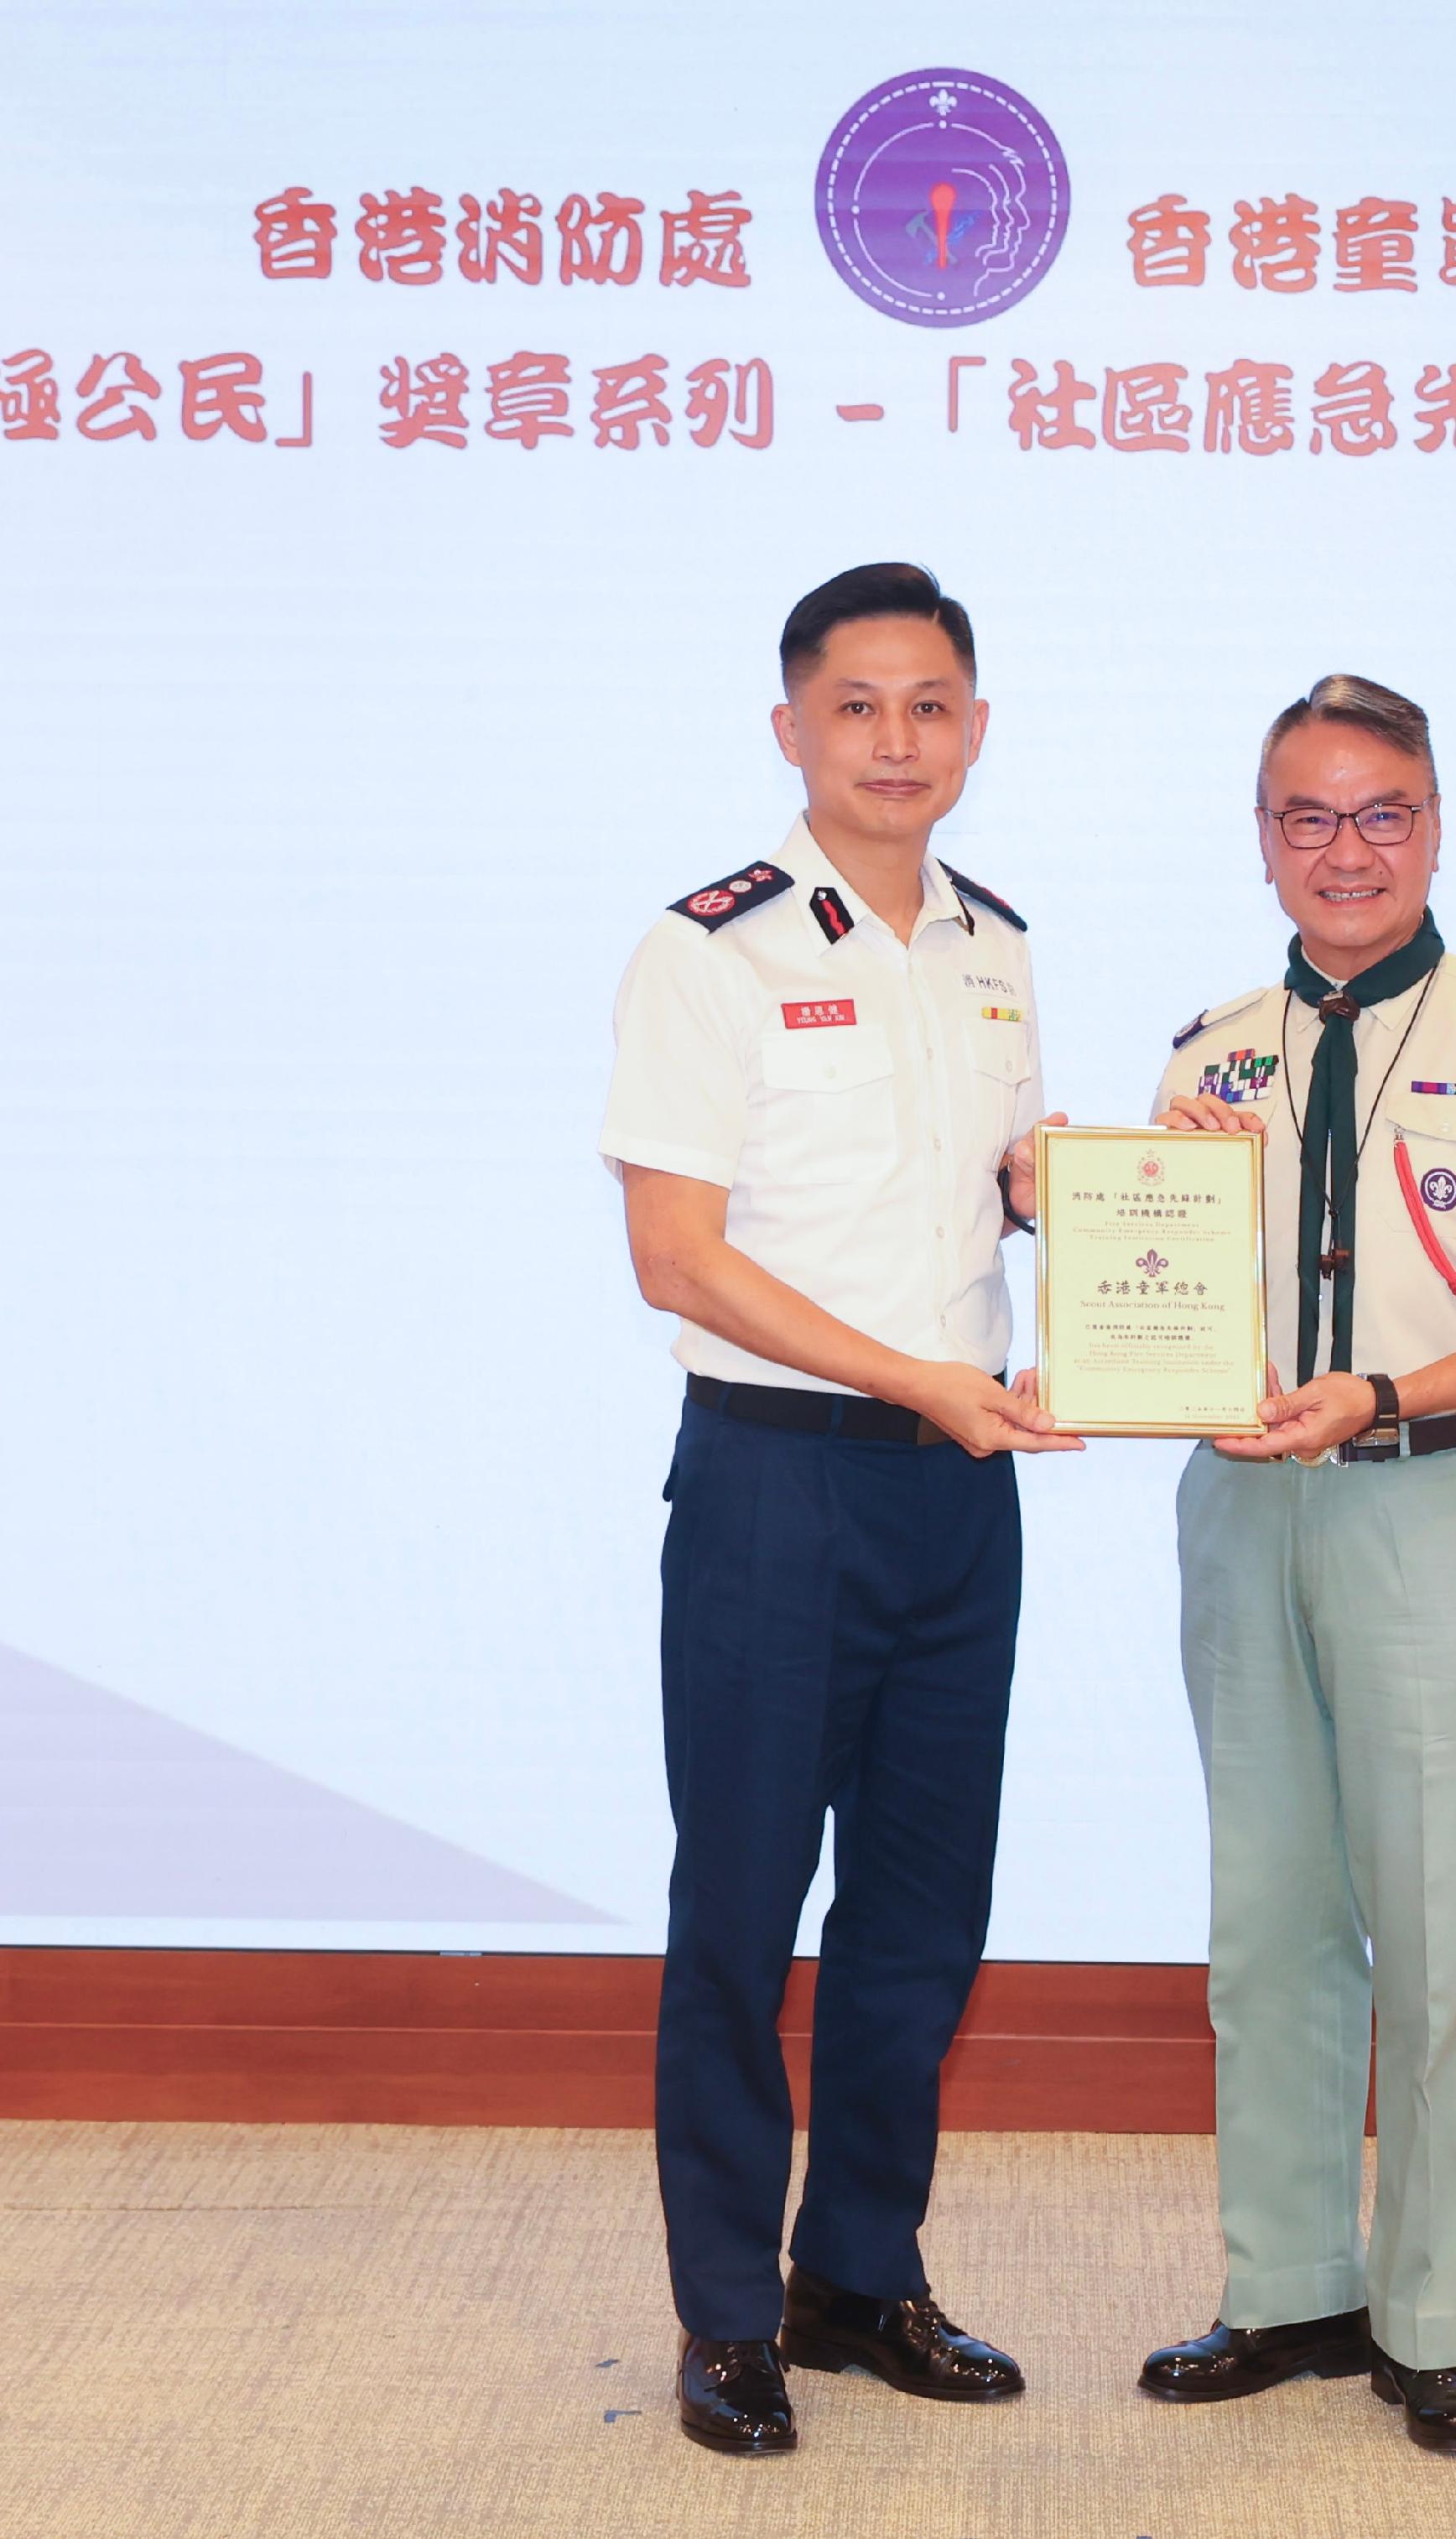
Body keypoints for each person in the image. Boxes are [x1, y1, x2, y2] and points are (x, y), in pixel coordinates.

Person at [596, 562, 1080, 2458]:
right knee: (737, 1906)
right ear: (789, 727)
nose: (896, 739)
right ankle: (727, 2314)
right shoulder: (705, 948)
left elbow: (1004, 1178)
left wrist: (1117, 1188)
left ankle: (857, 2271)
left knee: (920, 1912)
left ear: (974, 729)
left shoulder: (992, 941)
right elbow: (675, 1259)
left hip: (959, 1497)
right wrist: (908, 1379)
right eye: (857, 704)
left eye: (930, 704)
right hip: (777, 1486)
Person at [1136, 674, 1456, 2457]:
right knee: (1264, 1922)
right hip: (1240, 1504)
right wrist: (1097, 1196)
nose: (1342, 850)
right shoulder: (1208, 1054)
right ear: (1259, 835)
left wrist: (1386, 1389)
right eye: (1303, 816)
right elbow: (1149, 1299)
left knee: (1432, 1930)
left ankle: (1426, 2317)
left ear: (1432, 824)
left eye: (1379, 813)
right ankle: (1283, 2281)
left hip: (1430, 1498)